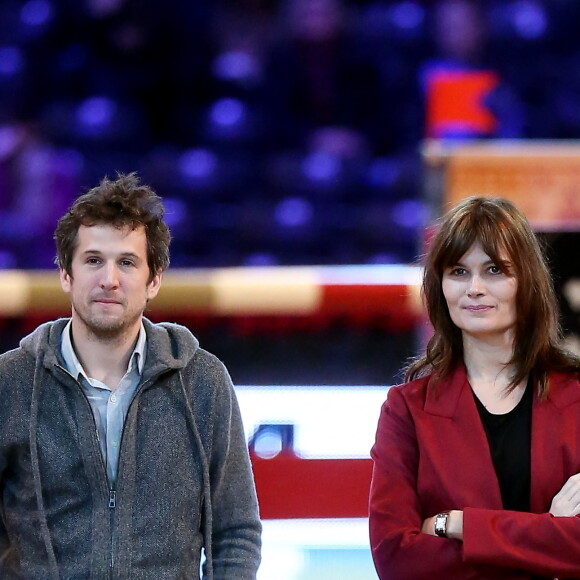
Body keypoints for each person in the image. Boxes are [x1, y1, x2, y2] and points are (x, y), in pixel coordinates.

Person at [0, 173, 262, 579]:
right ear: (65, 275)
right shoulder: (10, 381)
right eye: (93, 261)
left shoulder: (203, 381)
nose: (109, 279)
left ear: (153, 280)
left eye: (126, 262)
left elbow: (236, 532)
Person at [369, 196, 580, 579]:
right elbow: (396, 559)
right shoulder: (406, 410)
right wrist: (547, 535)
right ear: (441, 285)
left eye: (495, 270)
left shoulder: (577, 396)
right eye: (459, 271)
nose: (475, 288)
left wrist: (457, 524)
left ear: (527, 280)